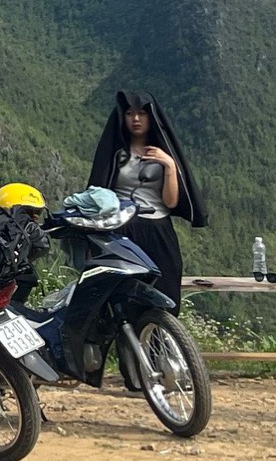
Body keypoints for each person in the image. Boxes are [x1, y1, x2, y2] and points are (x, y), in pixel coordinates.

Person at [85, 91, 203, 310]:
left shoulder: (163, 154)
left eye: (142, 113)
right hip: (122, 229)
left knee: (166, 291)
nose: (136, 119)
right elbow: (100, 190)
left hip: (158, 229)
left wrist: (169, 165)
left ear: (151, 117)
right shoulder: (116, 154)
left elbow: (170, 202)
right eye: (130, 113)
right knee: (122, 298)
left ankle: (162, 333)